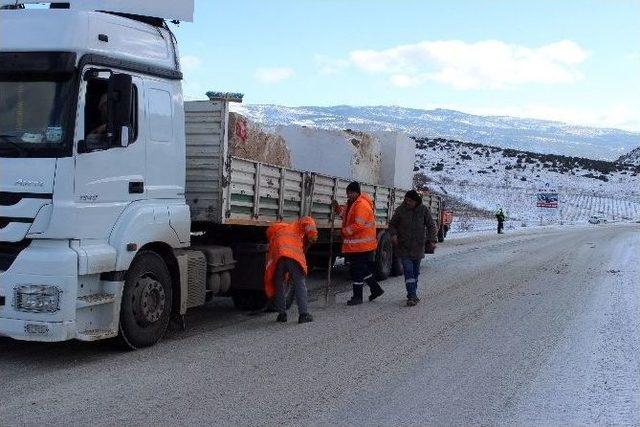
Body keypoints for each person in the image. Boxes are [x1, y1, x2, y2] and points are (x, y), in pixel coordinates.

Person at [331, 181, 384, 306]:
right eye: (347, 193)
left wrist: (343, 232)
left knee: (356, 271)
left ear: (356, 192)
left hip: (361, 245)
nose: (348, 195)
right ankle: (376, 289)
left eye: (350, 193)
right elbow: (347, 216)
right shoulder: (353, 204)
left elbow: (358, 224)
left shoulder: (361, 205)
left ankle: (357, 296)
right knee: (361, 269)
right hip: (357, 245)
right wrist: (338, 209)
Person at [264, 216, 318, 323]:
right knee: (299, 284)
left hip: (278, 258)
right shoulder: (295, 226)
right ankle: (303, 315)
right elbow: (307, 219)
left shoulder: (275, 234)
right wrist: (312, 235)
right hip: (293, 257)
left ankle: (281, 315)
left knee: (279, 284)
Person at [389, 190, 437, 306]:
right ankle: (411, 295)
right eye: (406, 200)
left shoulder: (423, 210)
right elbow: (392, 224)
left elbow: (431, 225)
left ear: (416, 201)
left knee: (415, 272)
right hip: (404, 246)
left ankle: (413, 293)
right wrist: (393, 234)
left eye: (410, 201)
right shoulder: (401, 210)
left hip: (418, 246)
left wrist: (432, 240)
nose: (408, 203)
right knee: (408, 271)